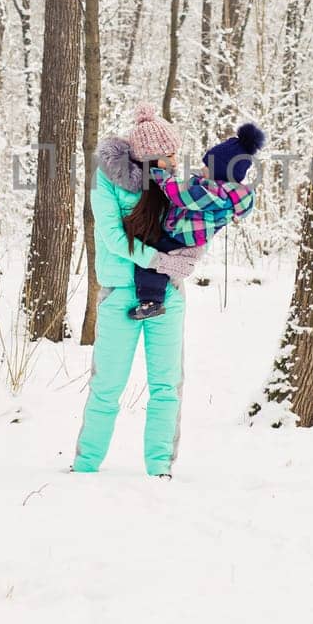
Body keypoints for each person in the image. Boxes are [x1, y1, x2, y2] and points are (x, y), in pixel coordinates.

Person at [73, 104, 202, 478]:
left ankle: (160, 468)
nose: (175, 160)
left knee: (166, 386)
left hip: (168, 294)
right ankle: (85, 467)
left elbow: (192, 228)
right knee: (107, 387)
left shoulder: (172, 183)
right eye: (168, 154)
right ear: (147, 156)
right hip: (118, 294)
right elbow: (112, 238)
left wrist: (187, 257)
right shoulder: (106, 181)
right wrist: (159, 260)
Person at [128, 122, 266, 320]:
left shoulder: (215, 194)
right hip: (188, 235)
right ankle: (154, 297)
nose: (202, 169)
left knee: (150, 260)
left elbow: (180, 195)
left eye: (207, 166)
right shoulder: (222, 193)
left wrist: (159, 174)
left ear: (221, 172)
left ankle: (151, 301)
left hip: (182, 237)